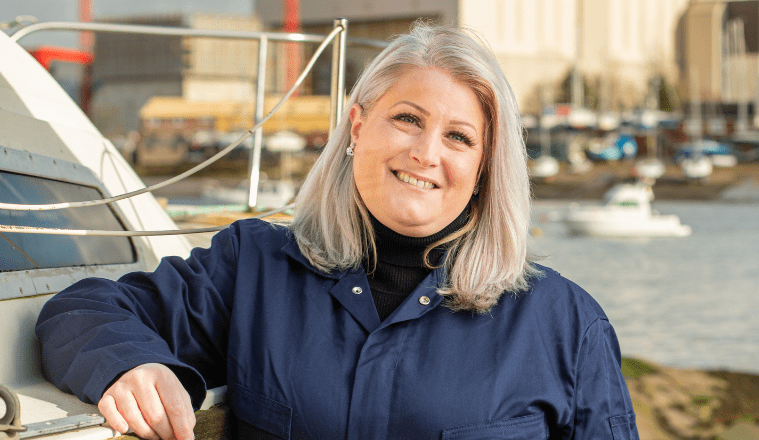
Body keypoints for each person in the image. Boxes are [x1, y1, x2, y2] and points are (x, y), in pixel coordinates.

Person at [36, 22, 640, 440]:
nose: (426, 153)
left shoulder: (565, 325)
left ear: (484, 168)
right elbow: (81, 310)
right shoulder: (255, 269)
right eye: (407, 119)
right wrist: (128, 366)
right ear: (357, 127)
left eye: (459, 137)